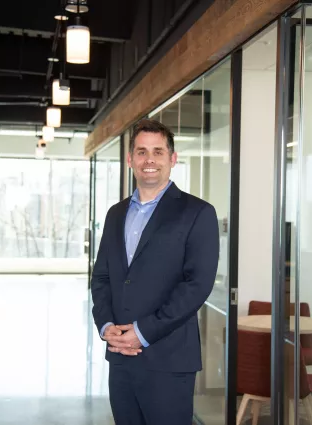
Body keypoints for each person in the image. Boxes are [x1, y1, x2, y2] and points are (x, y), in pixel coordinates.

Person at [91, 119, 219, 425]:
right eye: (142, 151)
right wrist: (106, 324)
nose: (149, 159)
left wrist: (142, 332)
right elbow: (103, 278)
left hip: (169, 359)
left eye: (158, 152)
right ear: (130, 159)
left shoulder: (197, 213)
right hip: (120, 357)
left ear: (172, 159)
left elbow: (197, 285)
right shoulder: (115, 213)